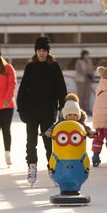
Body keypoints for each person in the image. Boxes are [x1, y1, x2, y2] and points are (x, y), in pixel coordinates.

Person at [17, 36, 67, 186]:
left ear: (48, 51)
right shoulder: (30, 67)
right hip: (31, 111)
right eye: (39, 50)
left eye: (44, 50)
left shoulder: (54, 67)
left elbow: (61, 88)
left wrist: (61, 107)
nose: (41, 53)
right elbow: (23, 90)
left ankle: (52, 169)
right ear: (35, 51)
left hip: (47, 110)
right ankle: (32, 167)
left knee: (49, 142)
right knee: (31, 141)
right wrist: (22, 110)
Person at [74, 49, 94, 114]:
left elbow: (91, 69)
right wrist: (86, 73)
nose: (87, 56)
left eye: (88, 54)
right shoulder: (79, 61)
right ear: (83, 55)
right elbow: (79, 70)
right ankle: (80, 109)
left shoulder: (89, 61)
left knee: (87, 95)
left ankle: (86, 110)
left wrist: (90, 74)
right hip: (81, 80)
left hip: (88, 80)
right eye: (86, 54)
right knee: (81, 95)